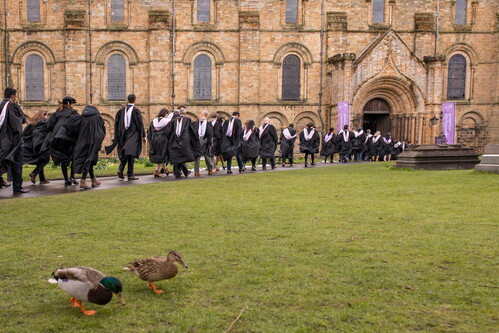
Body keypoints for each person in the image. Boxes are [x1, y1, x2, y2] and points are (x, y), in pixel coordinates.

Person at [106, 94, 146, 181]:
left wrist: (117, 136)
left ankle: (121, 169)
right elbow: (140, 124)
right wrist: (143, 136)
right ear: (135, 100)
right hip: (133, 135)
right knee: (130, 154)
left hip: (123, 135)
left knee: (127, 153)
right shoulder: (136, 111)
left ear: (128, 100)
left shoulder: (121, 111)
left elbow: (116, 124)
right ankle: (130, 174)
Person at [43, 96, 81, 186]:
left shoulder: (57, 113)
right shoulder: (73, 113)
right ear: (68, 104)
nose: (72, 106)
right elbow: (78, 125)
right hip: (70, 139)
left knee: (63, 159)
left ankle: (66, 180)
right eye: (71, 104)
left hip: (59, 140)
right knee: (73, 157)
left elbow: (49, 125)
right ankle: (72, 177)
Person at [0, 87, 29, 194]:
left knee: (3, 160)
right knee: (16, 164)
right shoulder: (11, 105)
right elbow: (20, 122)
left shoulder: (1, 105)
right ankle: (17, 187)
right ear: (13, 96)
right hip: (13, 141)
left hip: (3, 140)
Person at [72, 105, 106, 189]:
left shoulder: (82, 118)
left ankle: (93, 180)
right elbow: (102, 130)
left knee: (89, 160)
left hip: (83, 141)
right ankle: (83, 181)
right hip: (93, 142)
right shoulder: (98, 118)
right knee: (89, 160)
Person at [168, 107, 199, 179]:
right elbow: (191, 131)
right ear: (185, 113)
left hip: (175, 141)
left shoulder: (173, 120)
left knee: (177, 156)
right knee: (181, 156)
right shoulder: (187, 120)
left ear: (179, 113)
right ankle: (180, 172)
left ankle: (178, 172)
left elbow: (170, 131)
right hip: (184, 141)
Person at [22, 109, 50, 184]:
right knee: (45, 160)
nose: (47, 117)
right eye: (46, 115)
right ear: (42, 115)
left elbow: (24, 134)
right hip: (40, 146)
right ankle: (34, 173)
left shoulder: (32, 124)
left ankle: (42, 179)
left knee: (41, 160)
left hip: (31, 146)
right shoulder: (44, 124)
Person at [148, 108, 173, 177]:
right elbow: (169, 132)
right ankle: (163, 169)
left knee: (160, 155)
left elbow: (150, 132)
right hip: (163, 140)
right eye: (167, 114)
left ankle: (159, 170)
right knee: (163, 154)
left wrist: (151, 140)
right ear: (165, 114)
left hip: (154, 139)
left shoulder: (153, 121)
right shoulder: (168, 121)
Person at [192, 110, 214, 176]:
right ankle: (210, 170)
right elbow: (210, 134)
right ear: (206, 116)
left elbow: (193, 132)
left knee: (197, 157)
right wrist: (210, 143)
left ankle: (196, 171)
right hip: (205, 141)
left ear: (201, 115)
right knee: (207, 156)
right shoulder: (209, 123)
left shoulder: (196, 123)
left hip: (197, 142)